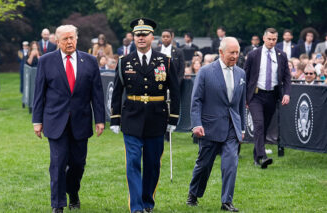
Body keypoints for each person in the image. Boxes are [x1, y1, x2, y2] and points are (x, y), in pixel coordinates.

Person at [32, 24, 105, 213]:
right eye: (65, 39)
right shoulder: (46, 61)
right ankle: (58, 204)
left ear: (77, 39)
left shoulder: (89, 61)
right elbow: (39, 93)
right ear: (57, 41)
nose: (69, 42)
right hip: (55, 121)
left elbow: (97, 93)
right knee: (58, 163)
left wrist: (100, 119)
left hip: (81, 121)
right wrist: (37, 121)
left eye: (72, 38)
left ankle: (73, 192)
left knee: (78, 164)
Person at [110, 18, 179, 213]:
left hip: (156, 118)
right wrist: (115, 118)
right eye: (137, 35)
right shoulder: (125, 61)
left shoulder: (164, 61)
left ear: (152, 37)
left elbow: (174, 91)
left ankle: (147, 202)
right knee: (132, 162)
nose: (140, 38)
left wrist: (173, 117)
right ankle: (137, 207)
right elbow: (117, 91)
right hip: (132, 117)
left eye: (144, 35)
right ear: (133, 37)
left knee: (152, 164)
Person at [186, 37, 246, 212]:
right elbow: (196, 100)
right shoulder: (205, 72)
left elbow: (241, 103)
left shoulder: (241, 74)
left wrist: (241, 127)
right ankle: (193, 193)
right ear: (221, 52)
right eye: (231, 52)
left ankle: (226, 201)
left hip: (232, 128)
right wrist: (196, 124)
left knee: (231, 164)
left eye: (237, 52)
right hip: (209, 127)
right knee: (204, 165)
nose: (235, 56)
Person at [244, 28, 291, 169]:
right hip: (256, 96)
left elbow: (287, 77)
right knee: (258, 124)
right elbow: (245, 77)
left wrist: (287, 93)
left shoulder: (281, 55)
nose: (271, 41)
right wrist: (245, 98)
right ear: (263, 38)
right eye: (269, 39)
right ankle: (263, 156)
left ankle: (256, 156)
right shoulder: (253, 55)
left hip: (272, 95)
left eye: (274, 39)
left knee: (264, 127)